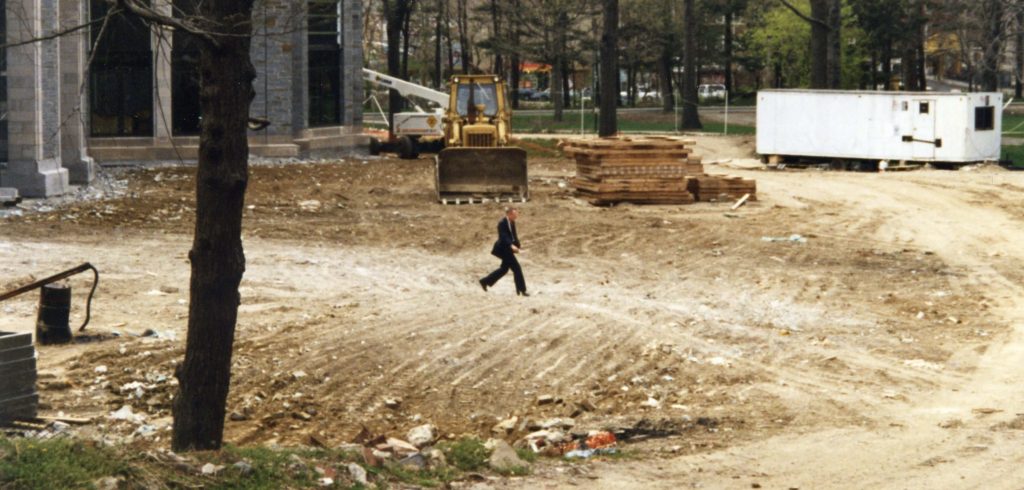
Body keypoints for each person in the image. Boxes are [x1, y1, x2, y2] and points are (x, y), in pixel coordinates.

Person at [479, 207, 528, 296]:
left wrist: (518, 246)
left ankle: (484, 281)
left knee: (504, 269)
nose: (516, 215)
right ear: (509, 214)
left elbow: (513, 236)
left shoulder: (512, 222)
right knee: (517, 268)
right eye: (514, 214)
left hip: (508, 249)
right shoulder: (502, 223)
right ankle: (522, 290)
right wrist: (511, 245)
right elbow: (503, 236)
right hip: (503, 249)